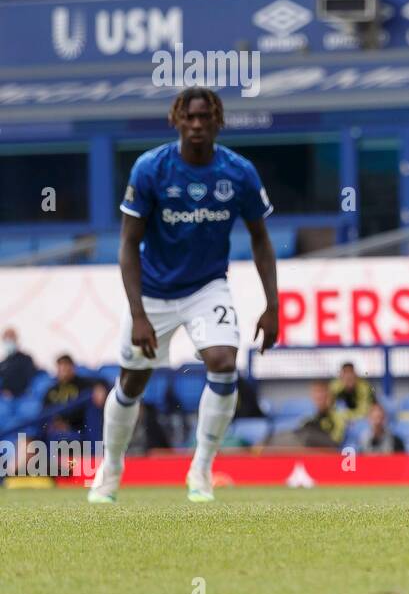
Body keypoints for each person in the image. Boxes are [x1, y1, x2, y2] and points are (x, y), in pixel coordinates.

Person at [89, 87, 279, 503]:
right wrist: (138, 313)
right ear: (176, 119)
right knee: (132, 381)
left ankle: (202, 470)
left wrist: (272, 305)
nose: (196, 125)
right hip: (153, 292)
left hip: (207, 286)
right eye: (189, 117)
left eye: (205, 118)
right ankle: (112, 469)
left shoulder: (239, 172)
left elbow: (261, 240)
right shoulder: (150, 169)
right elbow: (127, 245)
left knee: (225, 362)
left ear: (217, 121)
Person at [40, 355, 93, 436]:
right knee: (26, 441)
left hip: (76, 429)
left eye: (66, 367)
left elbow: (101, 383)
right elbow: (45, 411)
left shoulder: (83, 384)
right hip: (54, 429)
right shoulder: (51, 390)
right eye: (61, 368)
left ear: (72, 368)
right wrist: (55, 422)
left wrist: (67, 424)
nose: (64, 372)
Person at [296, 379, 347, 447]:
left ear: (329, 396)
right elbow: (299, 433)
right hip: (311, 451)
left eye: (322, 396)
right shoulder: (309, 416)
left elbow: (336, 440)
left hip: (331, 449)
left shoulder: (338, 415)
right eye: (316, 395)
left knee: (307, 436)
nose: (319, 399)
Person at [0, 327, 38, 399]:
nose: (8, 341)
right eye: (6, 339)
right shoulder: (3, 363)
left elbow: (30, 380)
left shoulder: (26, 359)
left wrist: (14, 392)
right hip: (3, 398)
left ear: (16, 339)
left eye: (11, 338)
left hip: (21, 397)